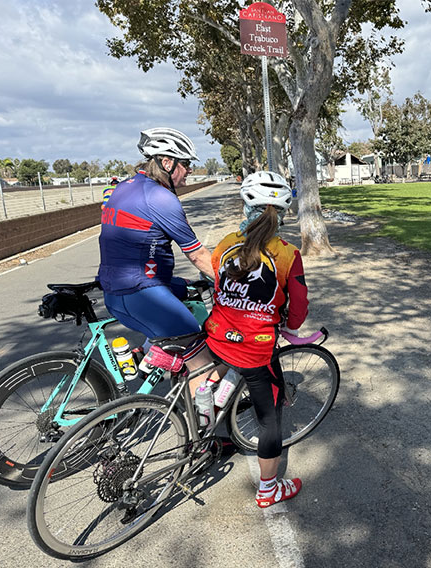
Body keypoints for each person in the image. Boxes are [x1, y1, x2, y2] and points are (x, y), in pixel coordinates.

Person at [204, 171, 308, 508]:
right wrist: (290, 326)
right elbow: (299, 306)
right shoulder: (287, 254)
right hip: (256, 347)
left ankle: (204, 414)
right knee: (269, 419)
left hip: (219, 336)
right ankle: (268, 489)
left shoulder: (225, 244)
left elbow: (218, 288)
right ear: (281, 213)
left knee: (219, 369)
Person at [97, 127, 215, 391]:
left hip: (117, 291)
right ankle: (202, 429)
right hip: (141, 293)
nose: (190, 170)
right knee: (203, 361)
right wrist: (232, 286)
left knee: (190, 291)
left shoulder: (122, 188)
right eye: (186, 164)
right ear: (167, 162)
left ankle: (147, 360)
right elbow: (197, 255)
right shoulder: (161, 198)